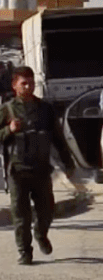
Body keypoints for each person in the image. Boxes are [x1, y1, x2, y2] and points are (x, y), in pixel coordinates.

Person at [1, 67, 79, 265]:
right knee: (20, 214)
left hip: (42, 169)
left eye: (31, 83)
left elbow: (58, 138)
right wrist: (8, 131)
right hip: (17, 171)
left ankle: (41, 233)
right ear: (14, 85)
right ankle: (25, 252)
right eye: (23, 83)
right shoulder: (7, 110)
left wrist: (68, 163)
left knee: (46, 210)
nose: (28, 87)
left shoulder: (45, 109)